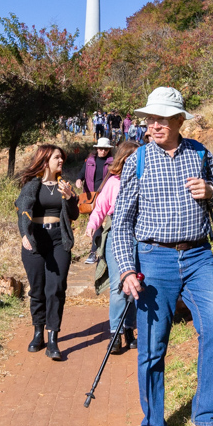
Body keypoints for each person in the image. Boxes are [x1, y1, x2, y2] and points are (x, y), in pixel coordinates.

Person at [111, 87, 213, 426]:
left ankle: (204, 422)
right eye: (150, 118)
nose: (154, 125)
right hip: (154, 261)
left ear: (180, 120)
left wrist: (211, 190)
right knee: (152, 348)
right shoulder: (138, 162)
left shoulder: (200, 153)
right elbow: (121, 224)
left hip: (199, 256)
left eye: (163, 118)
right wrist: (125, 270)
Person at [15, 144, 79, 361]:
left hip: (58, 240)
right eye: (57, 157)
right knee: (38, 289)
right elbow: (23, 211)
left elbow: (75, 215)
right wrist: (24, 234)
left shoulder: (64, 186)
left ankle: (53, 338)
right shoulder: (32, 186)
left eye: (62, 157)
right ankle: (37, 333)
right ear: (45, 161)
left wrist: (70, 198)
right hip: (35, 240)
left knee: (56, 288)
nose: (61, 161)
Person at [85, 140, 139, 355]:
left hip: (142, 234)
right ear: (124, 159)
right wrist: (92, 226)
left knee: (137, 285)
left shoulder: (145, 179)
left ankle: (129, 329)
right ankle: (115, 333)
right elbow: (100, 208)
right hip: (117, 231)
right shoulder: (113, 182)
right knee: (119, 284)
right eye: (132, 158)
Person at [76, 137, 114, 264]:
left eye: (105, 149)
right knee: (97, 224)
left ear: (109, 150)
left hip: (106, 195)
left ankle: (96, 251)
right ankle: (96, 251)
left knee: (104, 224)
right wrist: (79, 179)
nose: (103, 151)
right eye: (100, 148)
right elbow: (82, 172)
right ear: (96, 148)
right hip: (91, 196)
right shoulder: (89, 161)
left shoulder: (112, 162)